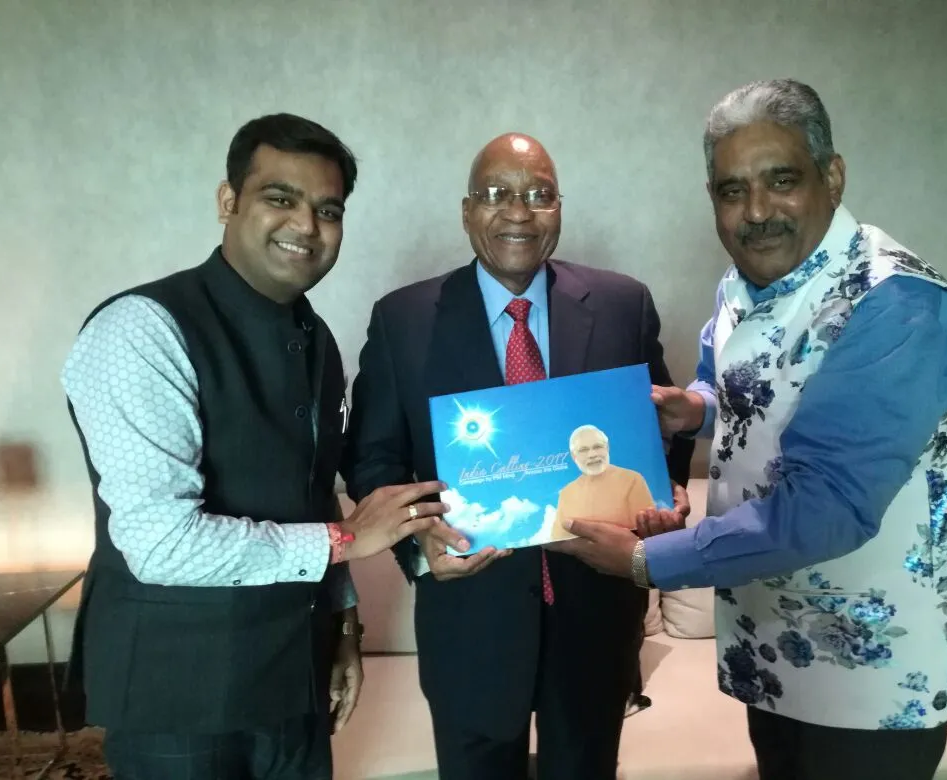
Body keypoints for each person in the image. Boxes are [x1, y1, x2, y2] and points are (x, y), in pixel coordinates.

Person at [555, 79, 947, 780]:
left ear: (832, 176)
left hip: (874, 674)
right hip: (774, 646)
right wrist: (696, 408)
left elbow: (827, 507)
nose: (757, 211)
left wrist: (645, 562)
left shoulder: (898, 307)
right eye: (733, 190)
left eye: (781, 180)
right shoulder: (744, 283)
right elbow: (740, 386)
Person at [60, 113, 449, 780]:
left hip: (294, 682)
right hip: (178, 695)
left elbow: (313, 494)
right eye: (280, 198)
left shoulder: (316, 341)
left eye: (328, 210)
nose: (307, 225)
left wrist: (344, 628)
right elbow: (160, 543)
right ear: (228, 201)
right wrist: (348, 539)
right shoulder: (141, 330)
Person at [344, 132, 691, 780]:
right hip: (469, 625)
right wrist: (418, 543)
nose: (518, 212)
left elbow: (663, 424)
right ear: (467, 211)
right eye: (496, 194)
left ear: (559, 208)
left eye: (539, 195)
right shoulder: (403, 320)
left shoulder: (623, 304)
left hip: (595, 621)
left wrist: (665, 494)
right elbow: (372, 458)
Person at [549, 425, 655, 542]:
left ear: (607, 448)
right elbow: (557, 539)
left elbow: (649, 535)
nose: (592, 455)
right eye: (583, 450)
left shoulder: (632, 480)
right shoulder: (566, 493)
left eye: (598, 447)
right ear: (574, 456)